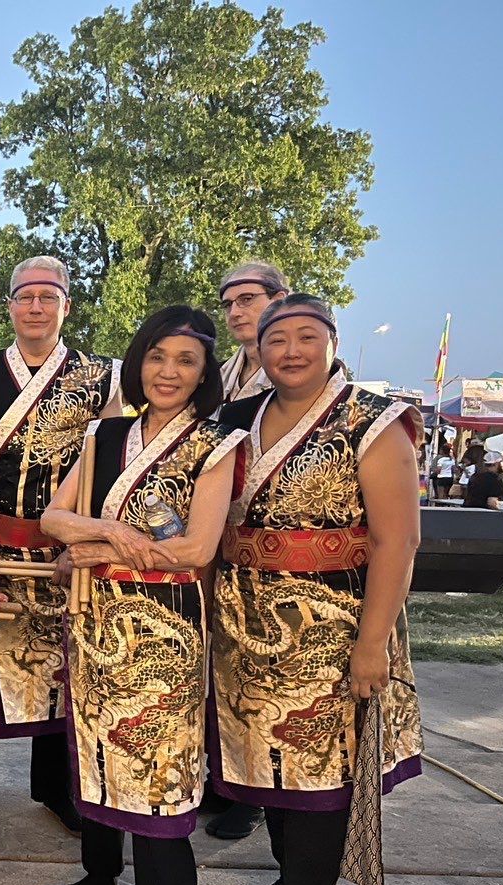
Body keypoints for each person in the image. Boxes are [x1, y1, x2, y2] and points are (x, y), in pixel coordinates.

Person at [39, 305, 243, 885]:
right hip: (96, 626)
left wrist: (88, 550)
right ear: (137, 360)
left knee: (160, 793)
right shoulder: (102, 436)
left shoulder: (216, 444)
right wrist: (109, 532)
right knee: (96, 757)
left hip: (166, 636)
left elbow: (195, 550)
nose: (168, 372)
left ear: (202, 372)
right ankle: (97, 878)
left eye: (185, 361)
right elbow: (52, 520)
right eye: (157, 356)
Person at [212, 293, 423, 885]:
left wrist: (371, 645)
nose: (291, 351)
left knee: (318, 775)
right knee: (263, 766)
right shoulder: (237, 418)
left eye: (307, 336)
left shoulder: (371, 419)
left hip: (331, 628)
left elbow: (397, 539)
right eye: (277, 340)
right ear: (258, 350)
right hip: (242, 623)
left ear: (332, 342)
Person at [0, 255, 122, 833]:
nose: (36, 306)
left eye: (49, 296)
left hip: (62, 551)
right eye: (26, 295)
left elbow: (113, 466)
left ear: (66, 304)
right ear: (10, 304)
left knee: (60, 673)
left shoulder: (103, 377)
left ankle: (55, 786)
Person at [204, 260, 290, 841]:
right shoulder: (222, 375)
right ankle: (228, 779)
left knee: (272, 685)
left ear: (280, 299)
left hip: (286, 558)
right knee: (225, 672)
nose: (236, 310)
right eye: (229, 301)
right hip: (222, 544)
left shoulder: (299, 373)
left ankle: (257, 797)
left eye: (249, 299)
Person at [216, 261, 290, 403]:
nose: (234, 313)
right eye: (227, 305)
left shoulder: (304, 374)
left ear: (279, 300)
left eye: (246, 299)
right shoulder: (211, 378)